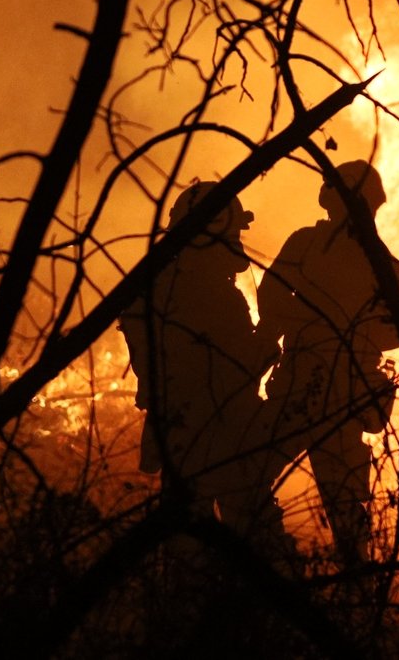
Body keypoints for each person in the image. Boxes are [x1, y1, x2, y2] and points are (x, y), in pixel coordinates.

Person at [256, 160, 399, 567]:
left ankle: (347, 588)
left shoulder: (382, 264)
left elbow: (398, 330)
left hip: (341, 391)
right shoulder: (310, 245)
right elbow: (270, 298)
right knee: (252, 475)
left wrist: (347, 331)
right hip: (306, 383)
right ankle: (274, 563)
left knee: (340, 503)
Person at [119, 181, 285, 544]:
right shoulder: (209, 294)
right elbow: (233, 369)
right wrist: (270, 337)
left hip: (180, 433)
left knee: (186, 545)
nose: (238, 240)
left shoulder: (159, 287)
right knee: (260, 547)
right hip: (224, 435)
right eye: (234, 230)